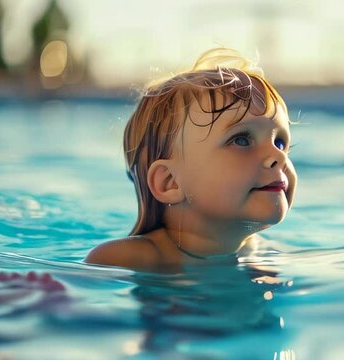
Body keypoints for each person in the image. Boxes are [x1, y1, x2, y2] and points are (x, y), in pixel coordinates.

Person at [85, 48, 297, 271]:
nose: (278, 156)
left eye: (280, 142)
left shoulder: (263, 255)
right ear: (170, 181)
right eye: (242, 140)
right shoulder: (126, 259)